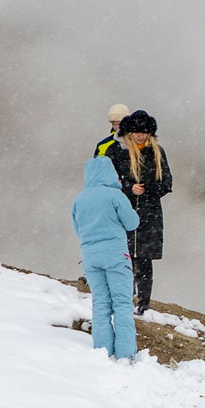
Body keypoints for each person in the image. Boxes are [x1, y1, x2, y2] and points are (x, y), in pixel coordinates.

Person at [94, 109, 174, 314]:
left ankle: (144, 303)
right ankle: (125, 297)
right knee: (124, 255)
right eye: (136, 132)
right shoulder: (117, 150)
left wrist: (148, 190)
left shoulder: (157, 152)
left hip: (149, 213)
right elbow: (106, 180)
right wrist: (129, 188)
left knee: (144, 258)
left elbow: (167, 183)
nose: (140, 136)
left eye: (144, 132)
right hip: (123, 210)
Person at [71, 153, 144, 361]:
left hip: (90, 256)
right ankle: (126, 353)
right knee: (122, 303)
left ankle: (103, 349)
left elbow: (78, 230)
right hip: (115, 254)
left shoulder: (79, 200)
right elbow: (132, 223)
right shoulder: (115, 195)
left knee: (101, 303)